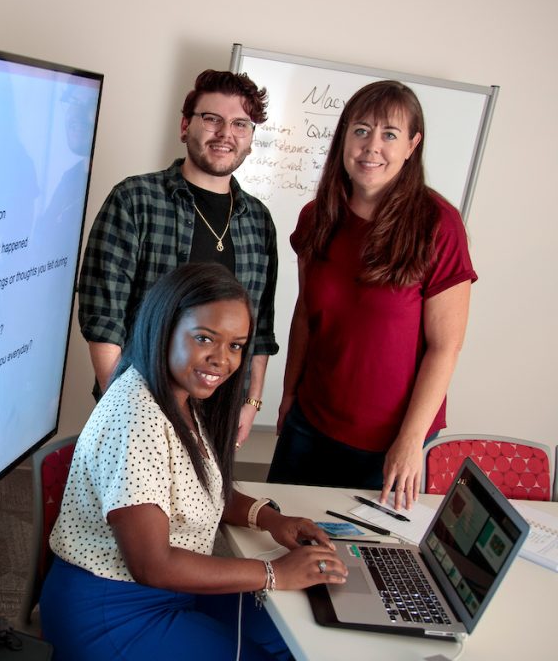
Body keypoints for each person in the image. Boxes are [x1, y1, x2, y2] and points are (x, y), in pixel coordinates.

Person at [42, 263, 346, 661]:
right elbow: (152, 564)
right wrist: (275, 573)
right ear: (165, 327)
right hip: (113, 611)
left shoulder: (183, 398)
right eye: (205, 338)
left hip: (173, 592)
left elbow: (203, 489)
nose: (222, 360)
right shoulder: (137, 415)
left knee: (299, 636)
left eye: (236, 345)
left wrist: (271, 520)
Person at [267, 80, 477, 510]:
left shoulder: (439, 223)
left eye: (389, 134)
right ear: (344, 136)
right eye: (361, 130)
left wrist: (410, 441)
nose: (371, 147)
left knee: (364, 563)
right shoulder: (317, 216)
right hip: (310, 425)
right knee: (280, 538)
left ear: (412, 145)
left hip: (391, 442)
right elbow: (306, 314)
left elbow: (445, 346)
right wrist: (288, 395)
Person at [78, 70, 277, 445]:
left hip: (221, 410)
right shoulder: (134, 200)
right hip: (141, 403)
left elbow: (260, 327)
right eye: (212, 119)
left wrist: (251, 401)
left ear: (251, 138)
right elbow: (104, 319)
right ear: (186, 126)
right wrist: (124, 409)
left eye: (240, 124)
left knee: (209, 504)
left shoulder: (259, 221)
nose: (225, 134)